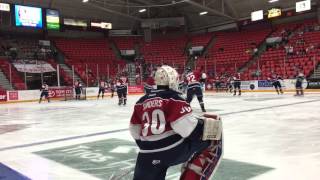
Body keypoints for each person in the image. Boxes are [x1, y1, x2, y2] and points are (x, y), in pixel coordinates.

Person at [129, 65, 223, 180]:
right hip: (173, 151)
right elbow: (186, 128)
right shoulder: (174, 98)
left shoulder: (141, 101)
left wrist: (147, 147)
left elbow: (134, 130)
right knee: (210, 139)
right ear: (173, 80)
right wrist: (202, 126)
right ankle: (193, 175)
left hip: (145, 154)